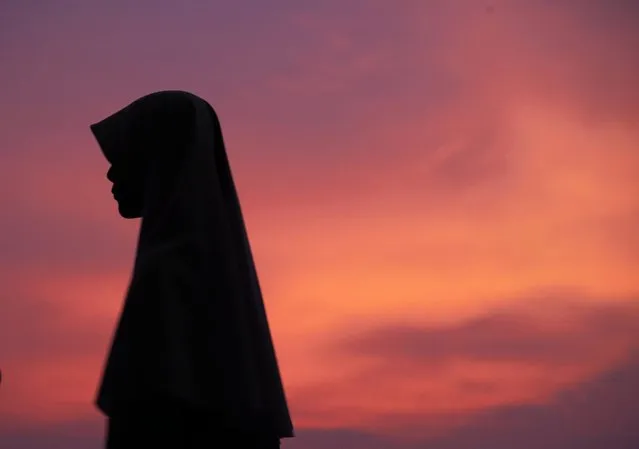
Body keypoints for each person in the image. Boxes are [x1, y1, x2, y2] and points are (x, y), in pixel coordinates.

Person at [89, 91, 294, 448]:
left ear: (156, 158)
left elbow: (143, 416)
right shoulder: (222, 276)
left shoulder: (167, 273)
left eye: (125, 155)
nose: (110, 171)